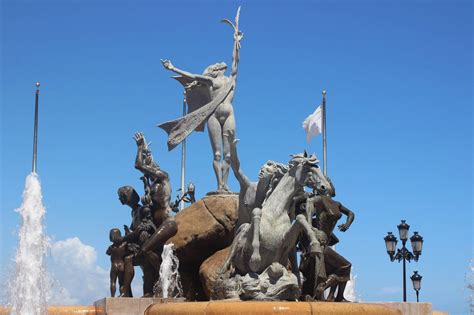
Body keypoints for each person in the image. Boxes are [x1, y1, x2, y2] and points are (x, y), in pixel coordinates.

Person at [159, 9, 243, 193]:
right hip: (213, 116)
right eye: (218, 65)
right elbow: (194, 76)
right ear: (216, 69)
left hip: (228, 113)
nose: (222, 65)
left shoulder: (231, 80)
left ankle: (225, 185)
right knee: (218, 153)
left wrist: (236, 41)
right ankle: (219, 185)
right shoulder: (211, 81)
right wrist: (173, 68)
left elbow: (235, 61)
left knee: (228, 155)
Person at [298, 178, 355, 302]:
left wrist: (347, 224)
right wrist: (309, 226)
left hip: (326, 240)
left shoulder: (337, 204)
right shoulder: (319, 199)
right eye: (328, 184)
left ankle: (333, 296)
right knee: (345, 265)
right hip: (320, 239)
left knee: (341, 266)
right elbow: (308, 203)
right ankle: (325, 289)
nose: (331, 186)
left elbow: (351, 213)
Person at [106, 228, 127, 297]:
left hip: (114, 265)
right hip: (122, 265)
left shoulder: (111, 247)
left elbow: (107, 253)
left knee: (113, 281)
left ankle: (112, 296)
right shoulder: (124, 245)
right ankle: (122, 294)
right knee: (121, 282)